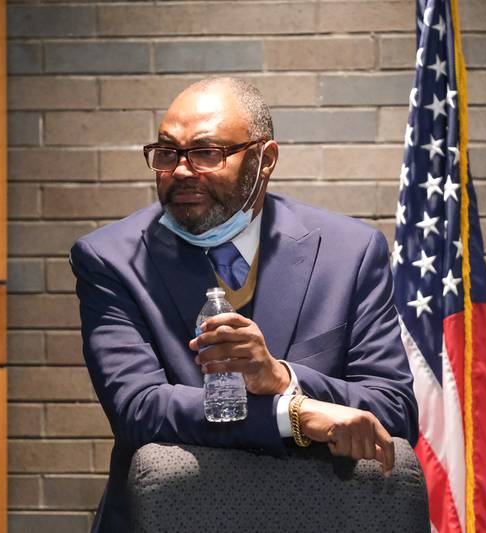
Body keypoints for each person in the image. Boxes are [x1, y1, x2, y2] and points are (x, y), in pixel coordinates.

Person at [69, 77, 419, 532]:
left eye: (206, 153)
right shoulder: (109, 258)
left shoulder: (350, 252)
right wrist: (292, 413)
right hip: (170, 517)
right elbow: (139, 409)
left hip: (321, 514)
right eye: (167, 152)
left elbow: (393, 409)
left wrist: (283, 378)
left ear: (264, 159)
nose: (179, 171)